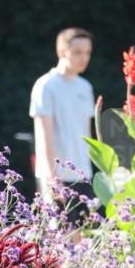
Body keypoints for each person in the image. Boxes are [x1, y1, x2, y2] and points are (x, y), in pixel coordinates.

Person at [29, 27, 96, 228]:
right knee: (60, 236)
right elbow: (43, 137)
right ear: (62, 52)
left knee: (85, 238)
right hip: (57, 176)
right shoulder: (45, 86)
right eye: (77, 52)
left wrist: (90, 172)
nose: (84, 58)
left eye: (87, 52)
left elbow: (87, 135)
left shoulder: (85, 87)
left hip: (83, 174)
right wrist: (53, 179)